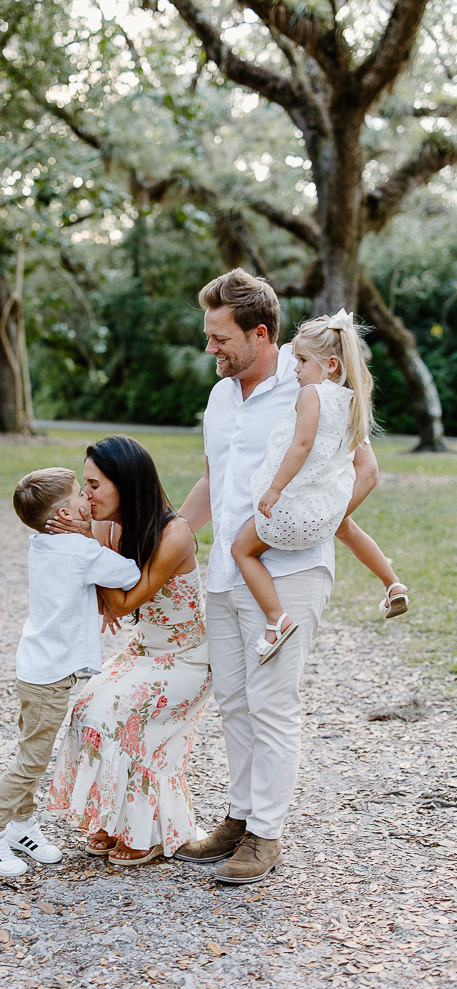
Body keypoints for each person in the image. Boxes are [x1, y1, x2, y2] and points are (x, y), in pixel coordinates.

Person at [175, 269, 381, 885]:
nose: (209, 348)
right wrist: (169, 541)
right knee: (235, 702)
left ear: (260, 333)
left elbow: (365, 468)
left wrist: (314, 524)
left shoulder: (311, 382)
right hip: (225, 570)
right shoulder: (220, 396)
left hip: (288, 571)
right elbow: (214, 481)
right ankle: (239, 819)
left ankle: (267, 834)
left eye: (219, 338)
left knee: (271, 704)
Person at [0, 467, 140, 878]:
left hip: (33, 668)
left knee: (32, 750)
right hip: (49, 677)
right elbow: (130, 574)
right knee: (31, 760)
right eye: (82, 495)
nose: (88, 502)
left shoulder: (41, 545)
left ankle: (21, 825)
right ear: (65, 513)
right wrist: (88, 536)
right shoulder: (80, 551)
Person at [46, 436, 211, 866]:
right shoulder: (107, 527)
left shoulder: (175, 534)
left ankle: (148, 831)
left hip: (187, 658)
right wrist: (87, 550)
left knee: (117, 711)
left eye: (94, 486)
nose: (86, 496)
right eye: (85, 485)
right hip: (143, 651)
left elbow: (120, 602)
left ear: (126, 483)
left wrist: (88, 550)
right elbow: (102, 599)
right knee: (85, 706)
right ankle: (115, 820)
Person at [232, 309, 408, 664]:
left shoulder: (311, 395)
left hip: (291, 510)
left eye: (300, 360)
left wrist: (275, 489)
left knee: (241, 550)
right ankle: (392, 583)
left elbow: (301, 445)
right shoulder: (351, 402)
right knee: (347, 528)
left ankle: (276, 619)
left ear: (329, 364)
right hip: (325, 508)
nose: (294, 368)